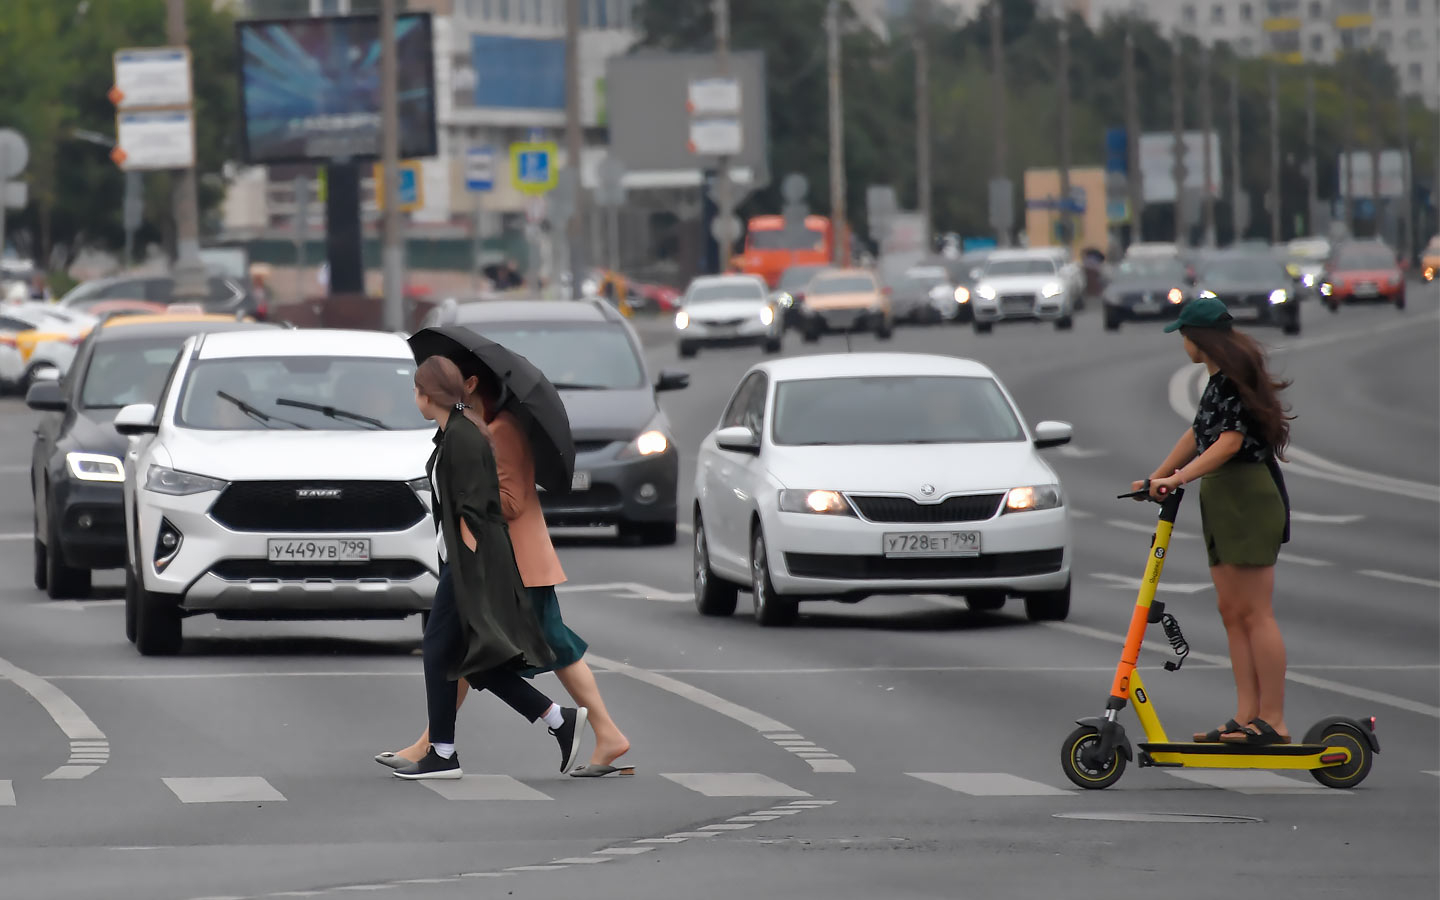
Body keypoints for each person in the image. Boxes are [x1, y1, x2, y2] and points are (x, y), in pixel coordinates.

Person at [381, 360, 633, 776]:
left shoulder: (485, 433)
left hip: (497, 562)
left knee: (496, 650)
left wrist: (466, 550)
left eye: (416, 389)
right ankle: (545, 723)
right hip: (479, 561)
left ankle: (442, 750)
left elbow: (495, 504)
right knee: (472, 656)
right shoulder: (465, 430)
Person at [1135, 297, 1293, 746]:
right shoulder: (1217, 382)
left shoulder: (1234, 381)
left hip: (1247, 495)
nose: (1182, 343)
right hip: (1223, 496)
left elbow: (1227, 443)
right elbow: (1197, 433)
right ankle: (1246, 715)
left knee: (1256, 612)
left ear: (1198, 339)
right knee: (1232, 612)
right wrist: (1159, 475)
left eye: (1184, 335)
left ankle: (1274, 721)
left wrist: (1179, 477)